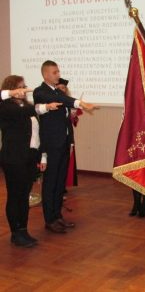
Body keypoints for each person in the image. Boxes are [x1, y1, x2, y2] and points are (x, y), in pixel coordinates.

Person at [33, 60, 98, 234]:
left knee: (60, 182)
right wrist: (81, 103)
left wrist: (70, 141)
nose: (58, 74)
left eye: (58, 71)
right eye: (55, 72)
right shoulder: (41, 92)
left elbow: (65, 117)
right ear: (46, 74)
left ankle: (57, 216)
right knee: (50, 183)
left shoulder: (55, 92)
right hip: (51, 145)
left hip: (62, 144)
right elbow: (60, 99)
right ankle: (49, 219)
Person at [0, 75, 61, 247]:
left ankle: (23, 230)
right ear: (11, 88)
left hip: (28, 157)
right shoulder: (5, 107)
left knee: (24, 195)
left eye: (24, 86)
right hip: (13, 158)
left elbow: (36, 136)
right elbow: (25, 112)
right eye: (20, 87)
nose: (24, 89)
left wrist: (41, 155)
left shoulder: (26, 106)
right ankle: (15, 233)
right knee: (15, 195)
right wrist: (46, 106)